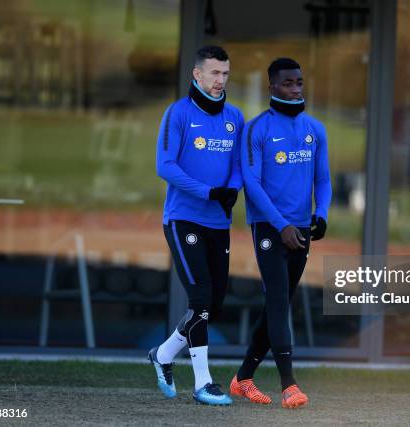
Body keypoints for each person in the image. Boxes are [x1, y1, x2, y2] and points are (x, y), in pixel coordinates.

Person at [231, 57, 331, 408]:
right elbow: (251, 185)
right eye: (288, 83)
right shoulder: (256, 129)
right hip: (270, 229)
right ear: (272, 86)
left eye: (300, 82)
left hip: (301, 229)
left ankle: (243, 377)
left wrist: (321, 213)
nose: (296, 88)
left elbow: (323, 179)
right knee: (277, 301)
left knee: (278, 304)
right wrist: (281, 225)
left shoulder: (315, 129)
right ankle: (289, 384)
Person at [148, 45, 243, 406]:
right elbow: (165, 165)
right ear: (197, 75)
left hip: (218, 223)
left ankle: (163, 355)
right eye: (214, 73)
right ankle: (203, 383)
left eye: (225, 74)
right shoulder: (178, 114)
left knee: (212, 307)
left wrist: (232, 189)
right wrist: (208, 191)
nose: (220, 80)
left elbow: (238, 165)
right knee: (200, 299)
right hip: (183, 219)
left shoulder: (235, 116)